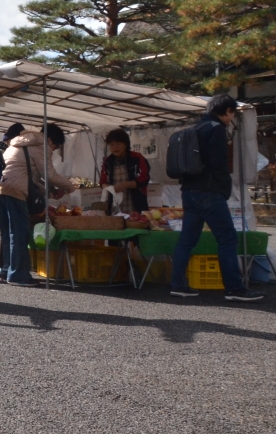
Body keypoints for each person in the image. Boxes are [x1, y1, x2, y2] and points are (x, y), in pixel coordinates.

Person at [170, 95, 262, 301]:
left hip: (189, 191)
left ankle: (177, 284)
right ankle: (234, 288)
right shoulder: (216, 128)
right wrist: (224, 189)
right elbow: (219, 163)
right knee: (227, 238)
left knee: (187, 240)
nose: (231, 118)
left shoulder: (195, 128)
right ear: (228, 111)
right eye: (232, 114)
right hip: (209, 192)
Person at [0, 125, 79, 286]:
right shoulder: (40, 145)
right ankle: (18, 275)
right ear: (50, 139)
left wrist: (49, 192)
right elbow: (49, 174)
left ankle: (6, 269)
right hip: (14, 192)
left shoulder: (18, 143)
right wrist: (69, 186)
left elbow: (30, 176)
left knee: (8, 232)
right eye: (56, 146)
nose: (54, 150)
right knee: (19, 233)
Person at [99, 128, 150, 215]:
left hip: (135, 204)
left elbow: (144, 178)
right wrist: (109, 188)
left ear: (126, 144)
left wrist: (126, 184)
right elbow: (102, 181)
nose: (115, 147)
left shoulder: (137, 158)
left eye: (118, 144)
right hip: (114, 206)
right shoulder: (108, 162)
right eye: (112, 145)